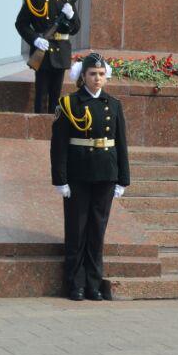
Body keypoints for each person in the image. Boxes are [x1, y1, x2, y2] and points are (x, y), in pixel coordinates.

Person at [51, 54, 131, 302]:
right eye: (92, 74)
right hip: (78, 174)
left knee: (97, 231)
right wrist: (60, 179)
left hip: (105, 173)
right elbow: (59, 145)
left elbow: (121, 143)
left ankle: (94, 285)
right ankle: (75, 284)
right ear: (82, 76)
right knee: (77, 229)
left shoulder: (114, 104)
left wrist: (122, 179)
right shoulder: (69, 103)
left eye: (101, 74)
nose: (97, 79)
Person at [15, 0, 80, 115]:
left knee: (56, 96)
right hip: (42, 52)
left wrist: (71, 16)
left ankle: (54, 130)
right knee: (41, 95)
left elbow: (75, 28)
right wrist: (35, 39)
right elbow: (21, 24)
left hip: (60, 50)